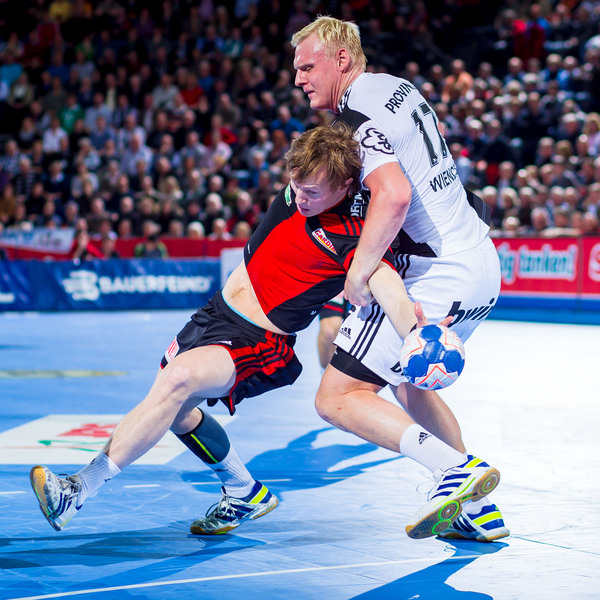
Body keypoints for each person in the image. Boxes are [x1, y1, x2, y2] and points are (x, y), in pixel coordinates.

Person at [30, 124, 434, 536]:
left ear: (345, 185)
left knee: (178, 380)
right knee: (175, 410)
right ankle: (244, 491)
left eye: (312, 192)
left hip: (259, 341)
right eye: (295, 185)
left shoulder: (355, 236)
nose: (300, 198)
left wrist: (416, 333)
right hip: (213, 315)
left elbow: (388, 286)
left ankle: (77, 489)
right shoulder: (303, 186)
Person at [291, 16, 507, 541]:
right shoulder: (396, 88)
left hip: (436, 272)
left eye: (308, 66)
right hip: (478, 261)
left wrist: (359, 271)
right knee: (410, 383)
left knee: (337, 397)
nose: (299, 79)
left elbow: (394, 195)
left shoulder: (356, 117)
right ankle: (477, 509)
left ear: (342, 58)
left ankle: (455, 470)